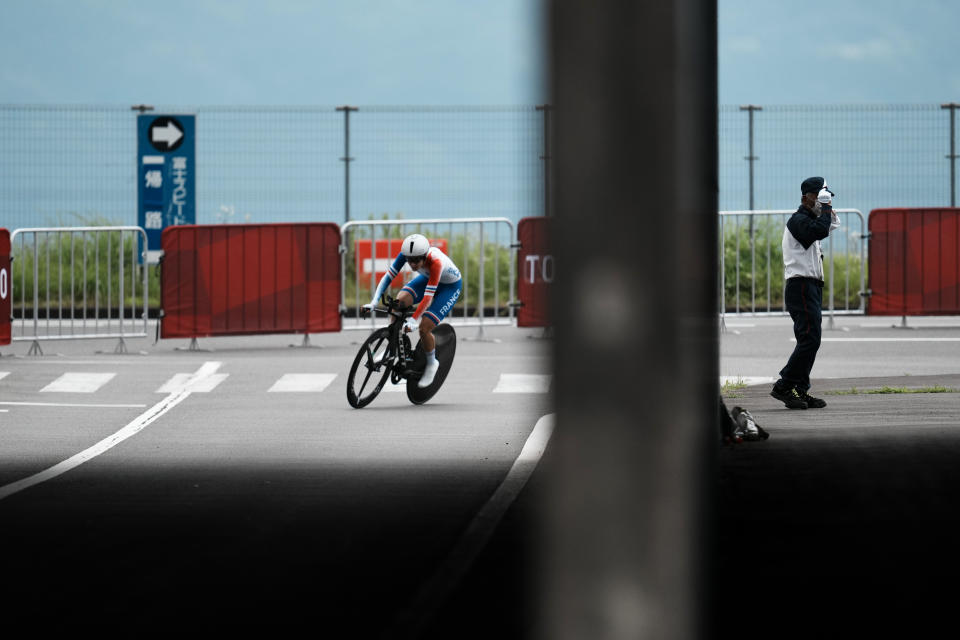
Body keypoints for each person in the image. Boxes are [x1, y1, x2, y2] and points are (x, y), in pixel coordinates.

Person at [770, 176, 841, 409]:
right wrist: (824, 208)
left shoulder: (811, 218)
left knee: (809, 340)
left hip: (811, 286)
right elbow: (820, 231)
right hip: (800, 285)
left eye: (825, 197)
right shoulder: (798, 221)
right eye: (818, 197)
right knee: (810, 339)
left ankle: (800, 390)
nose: (823, 202)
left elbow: (831, 224)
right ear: (805, 198)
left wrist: (824, 206)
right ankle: (784, 385)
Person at [362, 233, 463, 388]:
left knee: (424, 327)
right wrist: (373, 302)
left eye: (416, 260)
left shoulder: (435, 262)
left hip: (449, 287)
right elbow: (387, 277)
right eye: (410, 260)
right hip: (428, 279)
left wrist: (414, 319)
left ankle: (431, 363)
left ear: (424, 256)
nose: (413, 264)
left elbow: (428, 299)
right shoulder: (406, 254)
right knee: (398, 303)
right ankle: (392, 347)